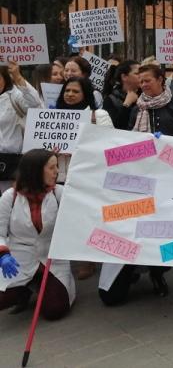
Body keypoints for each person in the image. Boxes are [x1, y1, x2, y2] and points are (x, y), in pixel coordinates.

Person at [98, 64, 173, 305]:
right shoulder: (137, 107)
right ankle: (134, 267)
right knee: (143, 224)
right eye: (140, 81)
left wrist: (170, 149)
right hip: (142, 177)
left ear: (162, 80)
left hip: (170, 176)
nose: (143, 85)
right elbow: (125, 138)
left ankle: (157, 272)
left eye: (148, 81)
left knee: (163, 226)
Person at [0, 149, 75, 319]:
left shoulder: (59, 193)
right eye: (51, 167)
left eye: (56, 167)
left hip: (51, 259)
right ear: (35, 170)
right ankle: (24, 289)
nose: (57, 172)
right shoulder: (9, 197)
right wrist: (2, 255)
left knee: (55, 310)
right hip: (19, 260)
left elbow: (81, 214)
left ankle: (41, 284)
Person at [54, 77, 114, 279]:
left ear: (86, 94)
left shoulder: (99, 115)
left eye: (75, 91)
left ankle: (88, 260)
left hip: (87, 177)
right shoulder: (52, 116)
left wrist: (78, 151)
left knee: (86, 219)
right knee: (64, 220)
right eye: (67, 90)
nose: (70, 95)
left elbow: (109, 145)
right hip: (59, 176)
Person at [0, 61, 43, 156]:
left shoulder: (14, 95)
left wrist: (18, 77)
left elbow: (34, 103)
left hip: (11, 159)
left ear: (5, 78)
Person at [102, 59, 140, 124]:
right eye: (137, 73)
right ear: (124, 77)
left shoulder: (146, 96)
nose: (141, 76)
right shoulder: (111, 100)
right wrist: (127, 104)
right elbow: (114, 126)